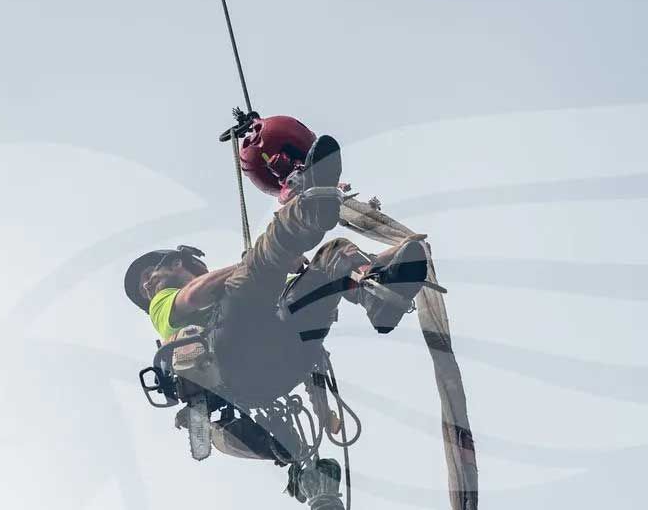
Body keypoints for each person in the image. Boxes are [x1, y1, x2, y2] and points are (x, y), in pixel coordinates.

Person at [123, 134, 427, 490]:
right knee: (260, 265)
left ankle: (379, 295)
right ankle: (307, 213)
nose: (150, 282)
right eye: (149, 279)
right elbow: (202, 291)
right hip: (232, 353)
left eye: (152, 273)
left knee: (331, 259)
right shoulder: (163, 303)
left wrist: (406, 253)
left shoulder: (234, 286)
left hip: (282, 361)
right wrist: (253, 263)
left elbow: (268, 272)